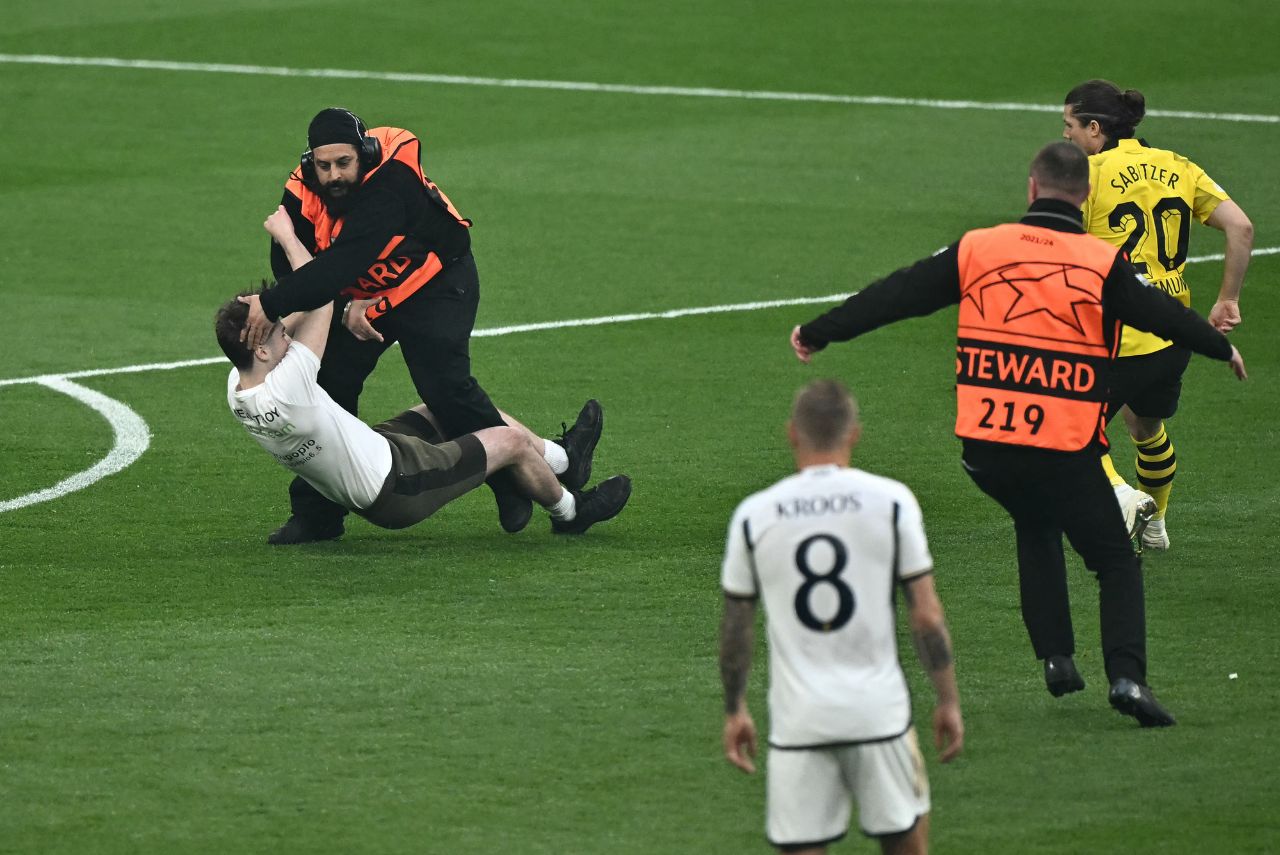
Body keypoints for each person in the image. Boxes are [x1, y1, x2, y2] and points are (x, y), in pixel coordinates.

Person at [791, 142, 1247, 727]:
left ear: (1031, 189)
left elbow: (897, 295)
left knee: (1034, 522)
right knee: (1112, 560)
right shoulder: (1099, 263)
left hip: (986, 449)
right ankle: (1128, 679)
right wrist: (1219, 344)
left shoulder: (979, 247)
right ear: (1084, 197)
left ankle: (1057, 659)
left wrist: (820, 331)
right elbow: (1160, 314)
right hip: (1061, 446)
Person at [239, 107, 553, 544]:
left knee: (444, 386)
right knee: (329, 384)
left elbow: (340, 263)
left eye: (344, 163)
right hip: (363, 294)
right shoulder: (303, 189)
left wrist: (271, 304)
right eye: (324, 165)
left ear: (364, 154)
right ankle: (317, 516)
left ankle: (508, 478)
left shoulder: (390, 181)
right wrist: (339, 302)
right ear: (311, 162)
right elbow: (296, 269)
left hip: (435, 282)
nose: (333, 176)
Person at [719, 379, 963, 855]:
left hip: (799, 721)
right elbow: (927, 617)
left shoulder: (754, 515)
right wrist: (948, 699)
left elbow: (736, 630)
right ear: (854, 434)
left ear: (792, 434)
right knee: (905, 842)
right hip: (879, 712)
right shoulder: (891, 502)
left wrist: (735, 710)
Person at [215, 290, 632, 537]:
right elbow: (319, 290)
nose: (287, 333)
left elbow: (282, 323)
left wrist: (266, 312)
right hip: (398, 487)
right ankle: (570, 512)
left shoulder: (239, 387)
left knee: (446, 408)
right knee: (512, 443)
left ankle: (564, 460)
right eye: (279, 333)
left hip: (377, 456)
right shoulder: (291, 387)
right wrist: (286, 233)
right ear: (263, 350)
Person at [1062, 79, 1254, 551]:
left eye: (1068, 125)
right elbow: (1241, 227)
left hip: (1115, 338)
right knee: (1144, 428)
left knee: (1067, 429)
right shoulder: (1178, 165)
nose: (1064, 135)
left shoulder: (1090, 174)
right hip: (1173, 335)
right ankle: (1156, 524)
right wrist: (1227, 299)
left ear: (1093, 128)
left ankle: (1125, 499)